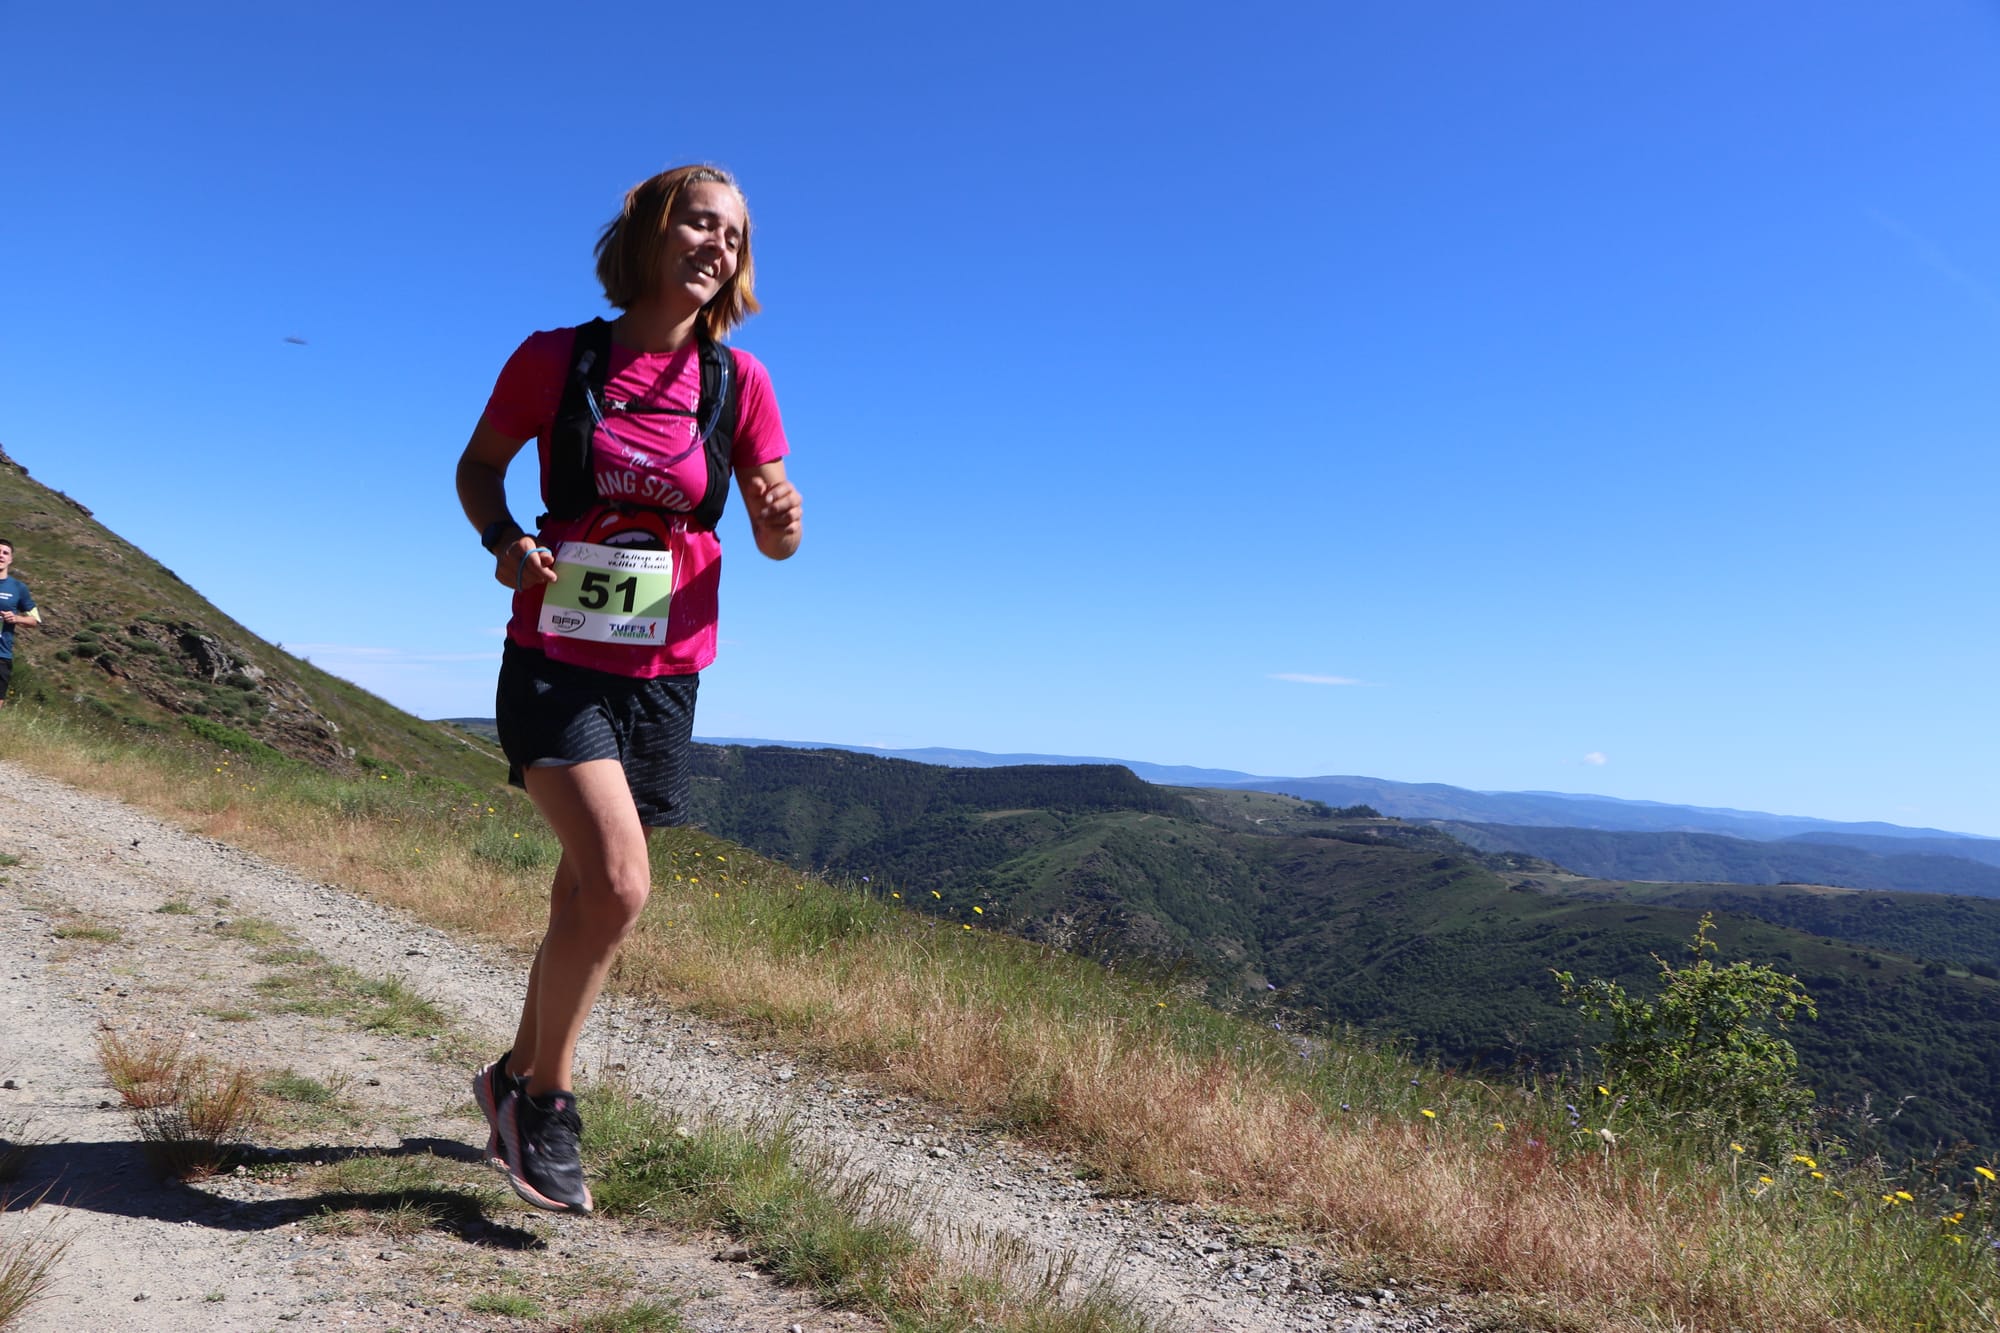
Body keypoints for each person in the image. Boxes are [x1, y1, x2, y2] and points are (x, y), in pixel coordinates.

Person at [454, 164, 802, 1213]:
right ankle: (546, 1105)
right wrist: (504, 538)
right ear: (653, 230)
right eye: (702, 223)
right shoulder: (557, 358)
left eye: (734, 236)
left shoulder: (739, 385)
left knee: (581, 892)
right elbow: (479, 465)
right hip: (555, 654)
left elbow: (775, 532)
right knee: (617, 885)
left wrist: (781, 519)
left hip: (666, 672)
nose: (718, 246)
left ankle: (509, 1077)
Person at [0, 539, 43, 708]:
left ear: (11, 559)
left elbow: (35, 620)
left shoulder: (18, 588)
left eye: (5, 553)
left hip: (1, 655)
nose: (1, 555)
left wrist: (17, 618)